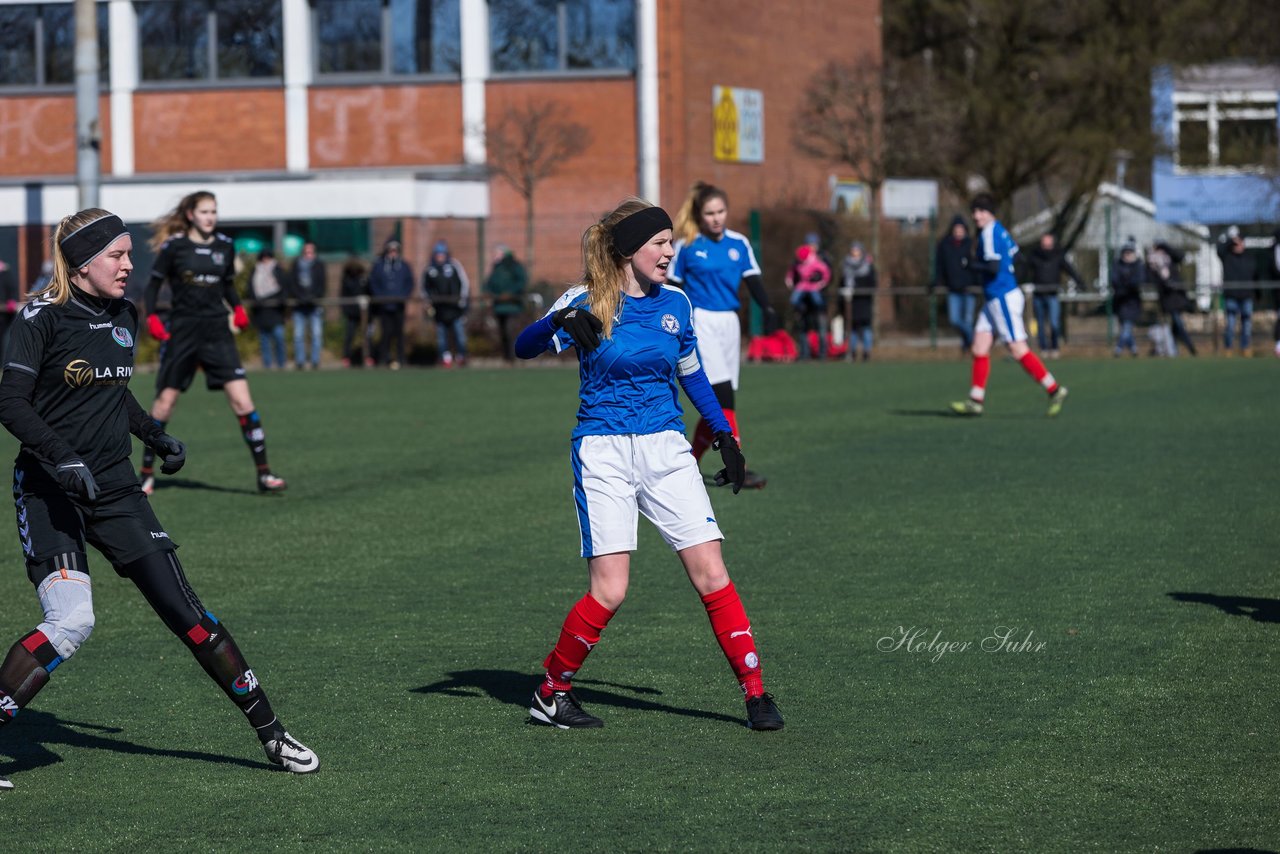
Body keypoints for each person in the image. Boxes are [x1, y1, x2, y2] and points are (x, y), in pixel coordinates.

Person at [0, 208, 317, 791]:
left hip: (116, 490)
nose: (129, 265)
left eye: (128, 253)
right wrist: (62, 459)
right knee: (71, 621)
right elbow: (10, 402)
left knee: (188, 614)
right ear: (82, 262)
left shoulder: (126, 313)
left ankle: (272, 732)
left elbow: (111, 392)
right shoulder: (39, 317)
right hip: (50, 490)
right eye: (117, 256)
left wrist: (152, 432)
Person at [514, 197, 783, 732]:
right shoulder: (586, 300)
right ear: (629, 250)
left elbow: (693, 375)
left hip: (666, 447)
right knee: (610, 590)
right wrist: (560, 321)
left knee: (712, 573)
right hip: (604, 451)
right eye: (659, 243)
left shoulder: (677, 303)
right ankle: (551, 692)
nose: (669, 252)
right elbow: (523, 346)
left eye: (668, 242)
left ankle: (755, 693)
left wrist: (724, 435)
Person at [139, 191, 286, 495]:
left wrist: (239, 308)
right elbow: (153, 286)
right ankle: (146, 474)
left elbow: (228, 286)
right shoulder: (174, 247)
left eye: (214, 212)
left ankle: (264, 474)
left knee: (243, 402)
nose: (210, 217)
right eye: (205, 212)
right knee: (164, 405)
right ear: (191, 215)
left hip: (217, 333)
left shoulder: (225, 246)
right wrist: (152, 317)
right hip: (183, 332)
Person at [669, 182, 776, 490]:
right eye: (709, 213)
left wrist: (768, 309)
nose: (716, 218)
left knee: (722, 400)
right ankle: (737, 463)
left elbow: (752, 279)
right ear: (699, 216)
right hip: (701, 322)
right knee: (724, 395)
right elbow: (673, 287)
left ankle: (687, 462)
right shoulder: (687, 245)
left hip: (730, 324)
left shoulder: (739, 243)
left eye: (721, 211)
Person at [950, 195, 1068, 417]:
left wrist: (970, 265)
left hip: (1002, 297)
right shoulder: (1001, 231)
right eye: (974, 211)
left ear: (990, 212)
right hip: (997, 297)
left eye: (981, 211)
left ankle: (1054, 389)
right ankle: (976, 400)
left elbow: (993, 267)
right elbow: (1018, 259)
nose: (976, 216)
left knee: (1017, 349)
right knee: (979, 347)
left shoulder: (990, 233)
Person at [1021, 232, 1084, 358]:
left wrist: (1080, 282)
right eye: (1044, 241)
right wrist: (1021, 282)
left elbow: (1069, 269)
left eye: (1048, 241)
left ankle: (1055, 347)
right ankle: (1043, 348)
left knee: (1054, 323)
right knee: (1040, 323)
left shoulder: (1058, 255)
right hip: (1038, 294)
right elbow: (1025, 270)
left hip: (1052, 294)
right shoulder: (1034, 255)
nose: (1046, 243)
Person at [934, 215, 978, 352]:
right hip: (953, 288)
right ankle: (974, 338)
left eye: (961, 229)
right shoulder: (945, 245)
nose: (959, 231)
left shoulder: (971, 244)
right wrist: (937, 281)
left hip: (969, 288)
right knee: (954, 319)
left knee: (968, 319)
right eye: (956, 229)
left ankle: (968, 345)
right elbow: (939, 266)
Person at [422, 240, 470, 368]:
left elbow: (464, 284)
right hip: (439, 309)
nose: (440, 256)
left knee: (459, 334)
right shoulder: (430, 269)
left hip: (455, 308)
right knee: (442, 336)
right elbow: (424, 288)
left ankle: (462, 356)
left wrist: (462, 301)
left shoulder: (454, 266)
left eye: (442, 254)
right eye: (438, 254)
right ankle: (445, 357)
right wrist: (429, 302)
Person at [367, 238, 413, 369]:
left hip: (399, 305)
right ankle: (383, 358)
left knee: (399, 333)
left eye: (395, 250)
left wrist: (403, 296)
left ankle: (401, 358)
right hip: (384, 306)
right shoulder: (379, 265)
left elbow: (409, 282)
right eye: (391, 250)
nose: (393, 252)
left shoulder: (404, 266)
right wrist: (381, 297)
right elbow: (373, 282)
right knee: (385, 333)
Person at [1147, 240, 1197, 357]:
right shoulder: (1153, 264)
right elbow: (1151, 278)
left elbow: (1180, 256)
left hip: (1177, 297)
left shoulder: (1170, 259)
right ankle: (1188, 347)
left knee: (1176, 325)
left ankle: (1177, 350)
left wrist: (1163, 245)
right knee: (1177, 324)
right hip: (1167, 299)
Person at [785, 244, 831, 360]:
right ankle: (804, 354)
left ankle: (822, 354)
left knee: (821, 327)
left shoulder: (821, 260)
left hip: (816, 300)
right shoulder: (797, 263)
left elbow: (827, 275)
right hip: (803, 304)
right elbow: (791, 276)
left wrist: (819, 282)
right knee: (802, 328)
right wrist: (792, 283)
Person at [1217, 226, 1257, 356]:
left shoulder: (1249, 257)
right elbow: (1219, 249)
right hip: (1231, 295)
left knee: (1246, 326)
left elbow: (1255, 276)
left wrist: (1257, 293)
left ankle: (1245, 348)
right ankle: (1228, 349)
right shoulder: (1227, 256)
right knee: (1230, 326)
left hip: (1246, 295)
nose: (1238, 244)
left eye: (1240, 241)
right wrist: (1231, 240)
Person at [484, 245, 527, 363]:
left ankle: (514, 356)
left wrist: (509, 293)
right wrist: (490, 293)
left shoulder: (515, 266)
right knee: (502, 333)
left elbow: (521, 282)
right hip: (499, 306)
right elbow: (489, 284)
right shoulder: (496, 268)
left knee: (510, 331)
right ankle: (507, 357)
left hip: (512, 305)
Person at [248, 249, 288, 370]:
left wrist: (281, 301)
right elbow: (250, 289)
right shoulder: (255, 271)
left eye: (268, 257)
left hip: (276, 311)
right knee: (264, 340)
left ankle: (281, 363)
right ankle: (267, 364)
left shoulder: (278, 270)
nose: (265, 260)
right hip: (261, 311)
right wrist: (256, 301)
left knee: (279, 338)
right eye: (263, 258)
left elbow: (285, 287)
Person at [289, 241, 326, 370]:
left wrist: (314, 297)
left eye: (311, 251)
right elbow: (292, 283)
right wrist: (299, 296)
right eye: (306, 252)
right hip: (299, 305)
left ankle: (315, 361)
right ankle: (300, 361)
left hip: (314, 305)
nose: (308, 254)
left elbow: (322, 284)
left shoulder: (319, 265)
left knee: (316, 334)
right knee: (298, 335)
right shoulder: (296, 264)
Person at [841, 242, 877, 362]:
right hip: (852, 303)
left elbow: (873, 284)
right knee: (853, 328)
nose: (855, 252)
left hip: (864, 301)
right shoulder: (846, 266)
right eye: (853, 250)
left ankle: (866, 352)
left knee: (866, 328)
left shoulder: (868, 266)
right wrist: (845, 291)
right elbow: (842, 282)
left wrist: (860, 290)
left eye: (857, 250)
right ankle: (852, 352)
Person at [1110, 239, 1146, 358]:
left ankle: (1118, 348)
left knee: (1127, 326)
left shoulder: (1138, 265)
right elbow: (1114, 280)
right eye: (1125, 252)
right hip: (1120, 301)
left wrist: (1126, 284)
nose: (1127, 255)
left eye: (1130, 252)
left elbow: (1138, 281)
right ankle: (1134, 348)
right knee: (1126, 326)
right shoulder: (1117, 264)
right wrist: (1125, 285)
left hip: (1133, 301)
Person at [338, 256, 369, 367]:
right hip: (351, 312)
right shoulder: (346, 278)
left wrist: (366, 302)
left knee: (366, 335)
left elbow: (368, 291)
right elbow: (343, 294)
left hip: (363, 312)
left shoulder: (363, 277)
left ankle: (367, 357)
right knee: (349, 336)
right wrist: (346, 310)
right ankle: (346, 357)